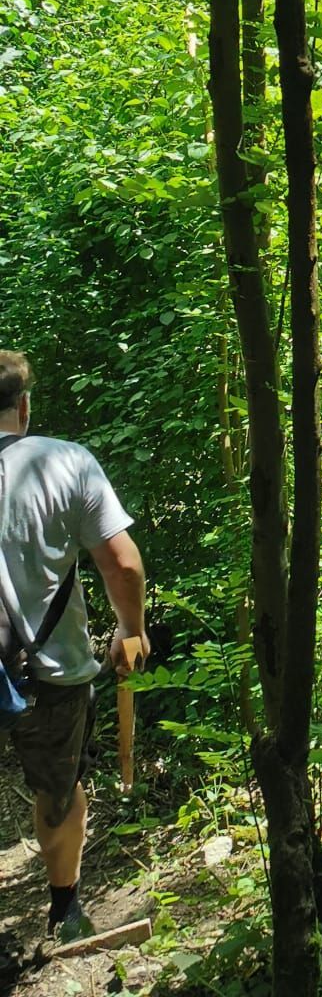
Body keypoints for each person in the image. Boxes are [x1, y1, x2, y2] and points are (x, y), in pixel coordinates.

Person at [0, 350, 150, 943]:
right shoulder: (67, 462)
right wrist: (130, 629)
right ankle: (64, 914)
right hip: (50, 672)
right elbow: (122, 563)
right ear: (24, 406)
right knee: (58, 789)